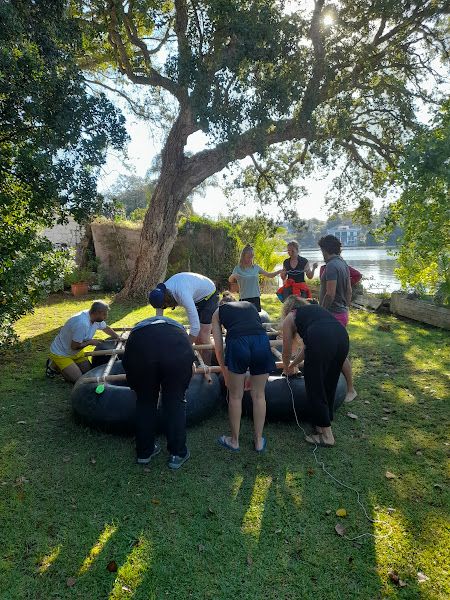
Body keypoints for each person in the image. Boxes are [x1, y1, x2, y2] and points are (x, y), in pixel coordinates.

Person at [122, 314, 195, 469]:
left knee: (145, 402)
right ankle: (177, 453)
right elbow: (189, 362)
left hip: (140, 347)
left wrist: (138, 386)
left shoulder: (138, 329)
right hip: (176, 347)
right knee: (175, 402)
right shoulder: (177, 329)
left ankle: (144, 452)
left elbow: (127, 363)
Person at [212, 291, 275, 452]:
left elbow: (218, 349)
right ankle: (258, 441)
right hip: (261, 341)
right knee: (259, 395)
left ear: (222, 304)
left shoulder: (218, 312)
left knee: (235, 396)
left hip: (238, 343)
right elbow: (252, 334)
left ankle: (234, 441)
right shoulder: (250, 306)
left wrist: (225, 373)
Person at [282, 296, 349, 447]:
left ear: (288, 309)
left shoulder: (290, 317)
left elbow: (286, 351)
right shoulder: (315, 311)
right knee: (329, 383)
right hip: (342, 338)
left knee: (314, 387)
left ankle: (327, 436)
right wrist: (293, 364)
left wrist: (286, 368)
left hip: (322, 340)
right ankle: (323, 423)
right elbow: (308, 348)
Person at [318, 234, 357, 403]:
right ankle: (330, 383)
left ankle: (350, 389)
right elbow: (349, 290)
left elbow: (330, 294)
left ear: (325, 249)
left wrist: (321, 312)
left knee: (338, 353)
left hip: (333, 314)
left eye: (321, 250)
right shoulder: (342, 263)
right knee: (329, 350)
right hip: (341, 312)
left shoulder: (332, 266)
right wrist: (345, 307)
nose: (321, 253)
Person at [148, 272, 218, 362]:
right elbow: (159, 320)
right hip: (195, 294)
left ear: (167, 301)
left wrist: (184, 349)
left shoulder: (182, 294)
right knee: (197, 339)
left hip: (209, 294)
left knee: (203, 337)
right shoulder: (161, 294)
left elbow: (195, 327)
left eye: (164, 307)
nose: (164, 308)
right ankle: (200, 362)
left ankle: (207, 366)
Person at [47, 301, 119, 383]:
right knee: (79, 380)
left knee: (89, 374)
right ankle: (55, 365)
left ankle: (66, 366)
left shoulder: (94, 317)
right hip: (62, 353)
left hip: (77, 352)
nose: (106, 317)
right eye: (105, 314)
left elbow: (105, 328)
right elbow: (74, 346)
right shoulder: (82, 324)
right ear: (97, 313)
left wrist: (117, 337)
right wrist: (90, 342)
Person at [228, 244, 284, 312]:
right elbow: (230, 280)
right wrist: (233, 276)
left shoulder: (256, 267)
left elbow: (269, 275)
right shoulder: (238, 268)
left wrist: (279, 271)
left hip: (255, 298)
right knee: (245, 318)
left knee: (256, 317)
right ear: (243, 256)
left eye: (251, 257)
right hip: (244, 298)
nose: (250, 259)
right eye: (248, 257)